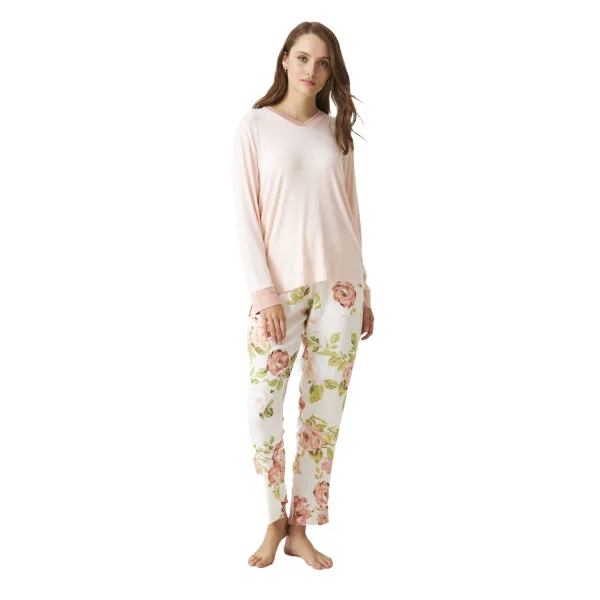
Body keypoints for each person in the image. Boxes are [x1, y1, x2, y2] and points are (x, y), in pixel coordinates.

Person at [231, 22, 375, 570]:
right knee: (262, 407)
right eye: (303, 58)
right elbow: (245, 215)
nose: (312, 70)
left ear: (331, 71)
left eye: (323, 62)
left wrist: (364, 289)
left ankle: (299, 530)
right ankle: (273, 520)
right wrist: (262, 292)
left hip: (341, 287)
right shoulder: (255, 126)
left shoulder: (336, 132)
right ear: (285, 60)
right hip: (279, 290)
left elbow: (351, 212)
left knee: (323, 413)